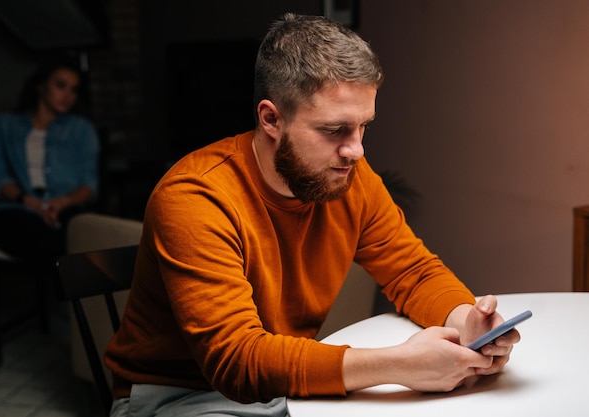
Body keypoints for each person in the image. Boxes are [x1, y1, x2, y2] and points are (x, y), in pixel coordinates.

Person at [105, 13, 520, 417]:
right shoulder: (195, 197)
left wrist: (467, 321)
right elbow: (236, 361)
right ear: (271, 119)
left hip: (283, 388)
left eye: (363, 128)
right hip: (177, 398)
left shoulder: (349, 179)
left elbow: (413, 271)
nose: (356, 150)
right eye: (334, 130)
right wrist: (400, 365)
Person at [0, 54, 99, 260]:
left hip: (66, 208)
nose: (67, 95)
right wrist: (31, 203)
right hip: (20, 208)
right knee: (15, 226)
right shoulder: (4, 126)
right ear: (41, 85)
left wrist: (63, 202)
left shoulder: (82, 130)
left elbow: (89, 183)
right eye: (60, 85)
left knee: (75, 230)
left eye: (73, 89)